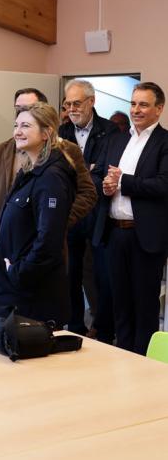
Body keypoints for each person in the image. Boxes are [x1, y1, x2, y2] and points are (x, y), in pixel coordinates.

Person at [0, 103, 77, 351]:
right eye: (16, 125)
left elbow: (48, 241)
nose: (17, 131)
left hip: (33, 294)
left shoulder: (52, 177)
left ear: (46, 133)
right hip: (14, 289)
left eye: (26, 126)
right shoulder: (31, 171)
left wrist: (18, 272)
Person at [93, 82, 168, 355]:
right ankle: (122, 357)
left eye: (144, 104)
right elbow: (100, 174)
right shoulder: (116, 139)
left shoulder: (164, 142)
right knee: (119, 303)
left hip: (145, 236)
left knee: (144, 306)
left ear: (159, 109)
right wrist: (106, 185)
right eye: (133, 103)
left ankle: (143, 365)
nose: (136, 110)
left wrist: (123, 181)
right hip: (114, 233)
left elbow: (163, 185)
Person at [0, 88, 96, 246]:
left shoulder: (66, 152)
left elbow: (87, 193)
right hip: (7, 240)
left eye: (29, 108)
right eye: (19, 109)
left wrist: (57, 221)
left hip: (45, 242)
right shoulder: (1, 151)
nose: (24, 113)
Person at [59, 80, 117, 340]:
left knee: (101, 274)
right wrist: (88, 169)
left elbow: (105, 173)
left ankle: (103, 329)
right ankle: (74, 326)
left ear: (91, 101)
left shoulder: (111, 131)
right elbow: (58, 175)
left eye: (77, 103)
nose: (72, 109)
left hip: (98, 214)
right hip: (69, 214)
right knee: (69, 273)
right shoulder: (60, 133)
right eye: (68, 104)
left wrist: (83, 173)